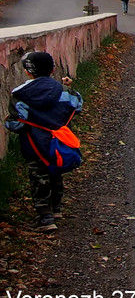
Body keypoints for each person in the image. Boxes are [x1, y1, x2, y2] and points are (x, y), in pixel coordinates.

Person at [4, 51, 83, 232]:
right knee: (56, 174)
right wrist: (69, 87)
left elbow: (16, 124)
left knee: (39, 178)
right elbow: (77, 105)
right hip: (59, 143)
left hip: (34, 144)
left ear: (27, 72)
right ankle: (56, 209)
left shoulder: (20, 95)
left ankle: (45, 218)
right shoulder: (64, 92)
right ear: (53, 69)